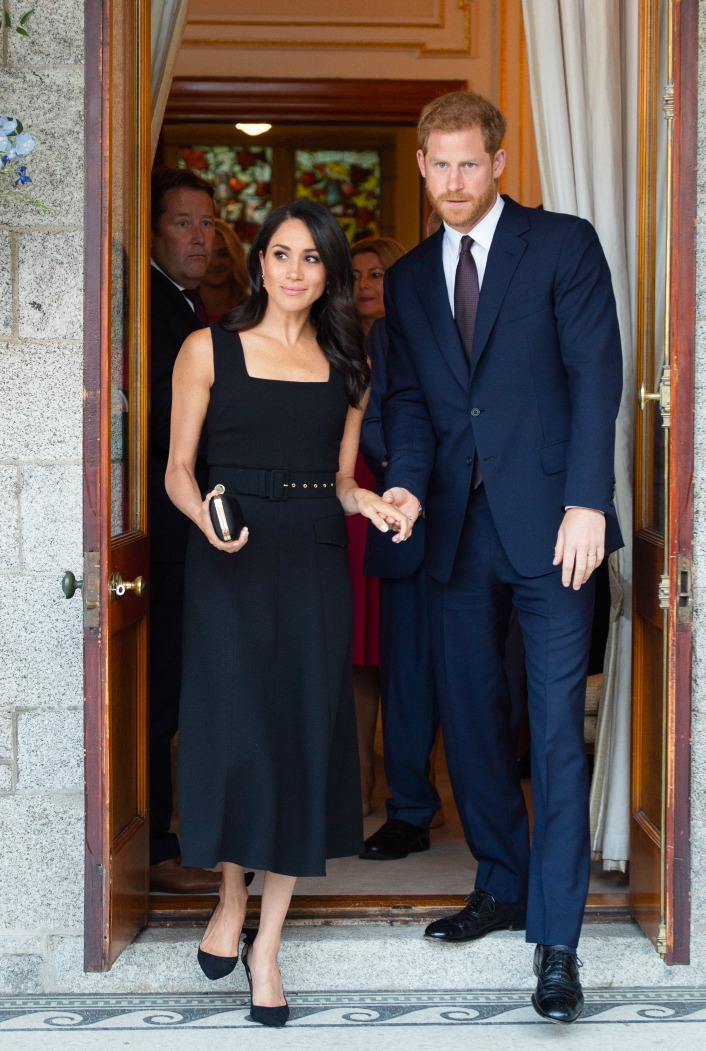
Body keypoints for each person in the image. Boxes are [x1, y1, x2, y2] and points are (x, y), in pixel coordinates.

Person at [381, 92, 623, 1024]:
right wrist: (403, 483)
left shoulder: (562, 246)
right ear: (420, 166)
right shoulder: (405, 282)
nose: (452, 182)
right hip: (450, 525)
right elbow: (407, 404)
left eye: (467, 164)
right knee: (471, 721)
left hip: (553, 524)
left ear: (500, 162)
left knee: (555, 728)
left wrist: (588, 503)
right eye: (437, 165)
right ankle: (502, 880)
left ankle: (556, 941)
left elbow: (595, 373)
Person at [165, 200, 412, 1027]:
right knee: (238, 738)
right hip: (229, 553)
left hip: (312, 556)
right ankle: (230, 897)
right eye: (281, 254)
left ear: (329, 271)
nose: (295, 271)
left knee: (300, 737)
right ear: (261, 260)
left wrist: (370, 503)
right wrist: (206, 518)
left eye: (311, 258)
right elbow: (176, 469)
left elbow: (342, 480)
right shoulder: (207, 348)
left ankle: (266, 943)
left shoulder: (349, 363)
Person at [354, 234, 444, 860]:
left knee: (486, 680)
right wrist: (416, 474)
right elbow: (376, 421)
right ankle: (410, 811)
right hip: (404, 515)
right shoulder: (387, 338)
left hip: (486, 522)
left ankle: (489, 807)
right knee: (406, 675)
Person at [148, 166, 221, 894]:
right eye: (182, 223)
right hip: (162, 535)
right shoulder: (151, 309)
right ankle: (156, 849)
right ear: (153, 230)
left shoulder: (187, 305)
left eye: (206, 224)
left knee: (173, 690)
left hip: (183, 532)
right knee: (159, 693)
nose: (199, 237)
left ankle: (166, 839)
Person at [348, 237, 407, 814]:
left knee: (399, 649)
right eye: (357, 274)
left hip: (396, 493)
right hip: (348, 502)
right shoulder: (334, 340)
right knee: (356, 648)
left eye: (379, 273)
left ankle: (410, 788)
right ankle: (360, 771)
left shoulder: (412, 339)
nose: (366, 284)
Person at [198, 217, 250, 322]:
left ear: (236, 256)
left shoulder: (255, 310)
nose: (215, 263)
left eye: (223, 254)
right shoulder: (177, 308)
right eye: (206, 254)